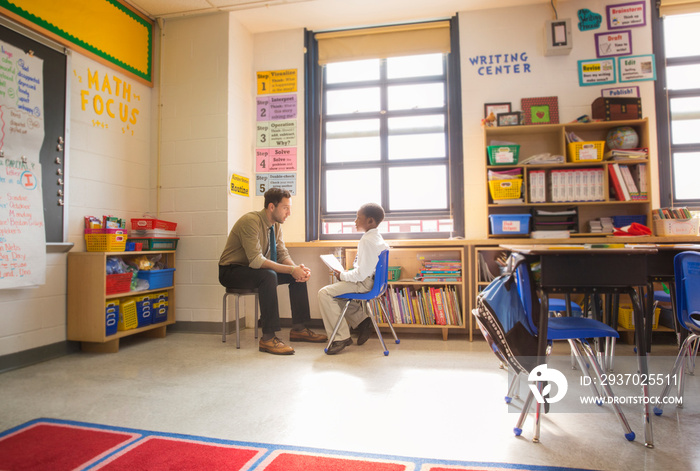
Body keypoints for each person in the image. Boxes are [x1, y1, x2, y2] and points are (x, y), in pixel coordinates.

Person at [219, 188, 327, 355]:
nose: (289, 213)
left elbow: (282, 254)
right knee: (268, 276)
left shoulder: (275, 226)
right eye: (285, 208)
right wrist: (291, 269)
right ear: (271, 206)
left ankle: (299, 328)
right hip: (232, 271)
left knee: (293, 276)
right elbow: (256, 260)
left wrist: (297, 269)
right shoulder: (251, 221)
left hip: (252, 270)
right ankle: (268, 338)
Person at [317, 203, 389, 355]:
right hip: (373, 282)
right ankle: (362, 321)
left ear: (370, 221)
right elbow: (364, 269)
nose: (355, 221)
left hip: (365, 284)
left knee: (324, 293)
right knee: (337, 295)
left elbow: (362, 274)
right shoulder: (375, 237)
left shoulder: (366, 241)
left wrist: (342, 275)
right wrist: (347, 274)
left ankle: (340, 337)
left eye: (358, 218)